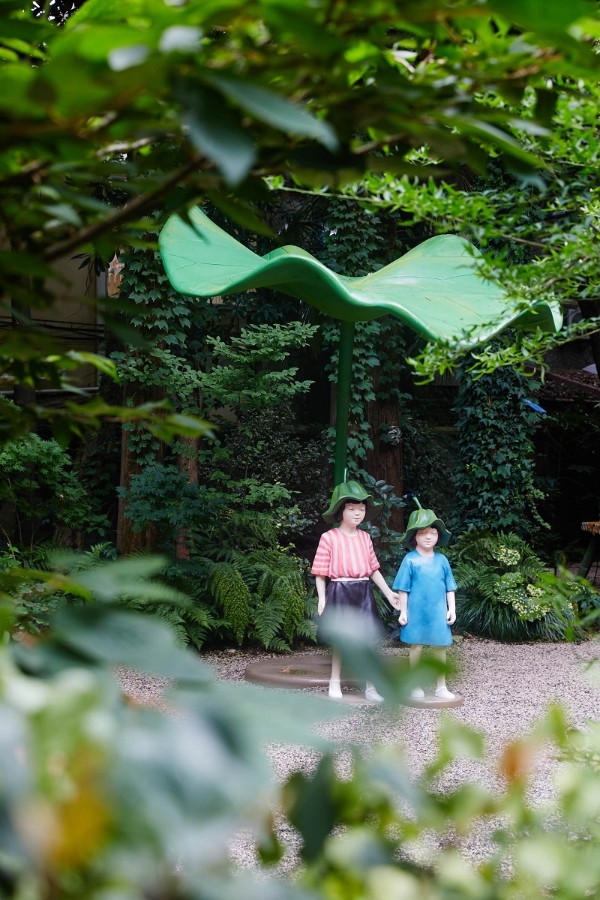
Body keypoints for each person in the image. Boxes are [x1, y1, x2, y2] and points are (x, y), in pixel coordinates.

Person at [312, 481, 401, 702]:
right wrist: (322, 599)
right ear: (340, 510)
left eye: (361, 509)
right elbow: (320, 572)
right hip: (340, 589)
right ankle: (334, 682)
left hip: (362, 591)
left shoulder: (365, 537)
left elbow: (373, 569)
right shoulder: (329, 538)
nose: (357, 513)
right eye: (351, 508)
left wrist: (389, 593)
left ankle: (370, 686)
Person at [393, 499, 457, 700]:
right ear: (414, 536)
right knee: (416, 646)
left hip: (438, 611)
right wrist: (403, 611)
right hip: (416, 610)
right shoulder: (410, 560)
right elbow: (403, 588)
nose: (429, 537)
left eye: (433, 532)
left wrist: (452, 608)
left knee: (440, 647)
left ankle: (441, 686)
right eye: (423, 532)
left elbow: (450, 587)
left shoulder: (442, 560)